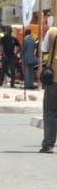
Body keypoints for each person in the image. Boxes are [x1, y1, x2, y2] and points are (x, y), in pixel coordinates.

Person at [39, 25, 57, 153]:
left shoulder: (51, 32)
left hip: (54, 79)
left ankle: (49, 143)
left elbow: (44, 50)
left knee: (50, 111)